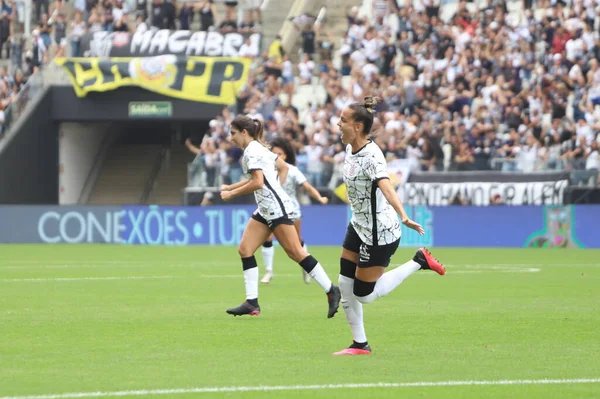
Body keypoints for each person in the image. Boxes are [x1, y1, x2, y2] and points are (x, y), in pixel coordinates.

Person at [334, 97, 446, 355]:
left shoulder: (373, 156)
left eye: (343, 120)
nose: (338, 124)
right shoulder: (351, 147)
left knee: (364, 294)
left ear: (358, 126)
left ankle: (419, 260)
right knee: (344, 282)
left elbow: (385, 184)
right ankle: (360, 344)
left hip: (379, 233)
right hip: (358, 224)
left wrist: (404, 215)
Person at [220, 115, 341, 318]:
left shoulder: (252, 151)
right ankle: (252, 302)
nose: (230, 138)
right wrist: (237, 187)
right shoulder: (259, 148)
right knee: (245, 249)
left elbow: (258, 182)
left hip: (275, 209)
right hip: (266, 209)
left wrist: (232, 193)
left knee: (296, 253)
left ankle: (331, 289)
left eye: (233, 133)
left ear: (243, 132)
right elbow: (282, 167)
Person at [260, 138, 329, 285]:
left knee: (297, 242)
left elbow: (307, 187)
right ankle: (269, 271)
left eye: (280, 154)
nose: (277, 156)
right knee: (267, 237)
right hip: (272, 209)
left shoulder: (292, 170)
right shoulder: (267, 170)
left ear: (285, 156)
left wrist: (320, 198)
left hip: (291, 211)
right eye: (274, 153)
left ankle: (307, 268)